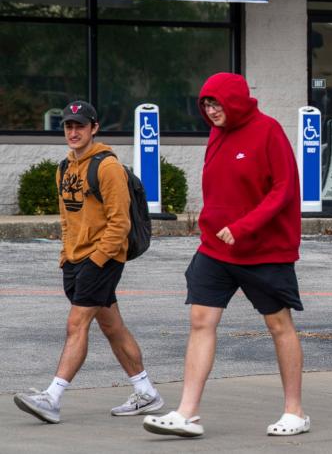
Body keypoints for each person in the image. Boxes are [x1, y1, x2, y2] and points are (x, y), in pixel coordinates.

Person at [144, 73, 308, 438]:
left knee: (278, 325)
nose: (212, 111)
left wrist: (244, 227)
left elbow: (283, 189)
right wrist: (210, 226)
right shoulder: (218, 133)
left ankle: (295, 412)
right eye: (206, 104)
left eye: (217, 103)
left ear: (235, 101)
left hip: (264, 250)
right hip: (216, 248)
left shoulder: (269, 131)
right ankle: (187, 413)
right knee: (201, 320)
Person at [13, 100, 162, 424]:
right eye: (68, 126)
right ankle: (146, 391)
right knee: (112, 327)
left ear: (94, 128)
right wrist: (66, 254)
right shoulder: (64, 168)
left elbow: (119, 223)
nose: (74, 131)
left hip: (104, 258)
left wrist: (97, 259)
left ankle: (52, 397)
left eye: (80, 125)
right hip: (76, 259)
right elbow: (67, 218)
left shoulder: (106, 167)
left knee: (75, 324)